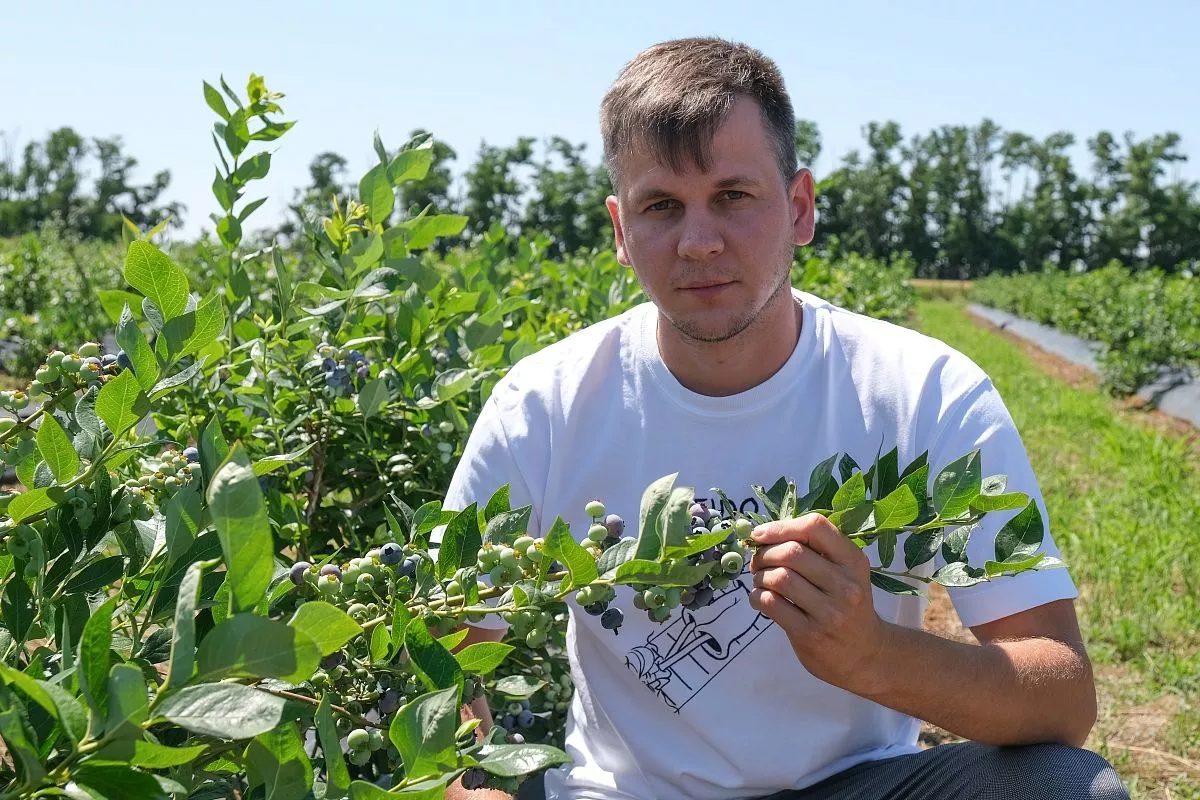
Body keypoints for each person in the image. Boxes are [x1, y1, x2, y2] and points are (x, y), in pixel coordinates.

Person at [442, 37, 1129, 800]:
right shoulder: (542, 406)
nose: (699, 242)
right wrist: (458, 783)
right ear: (620, 233)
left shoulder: (923, 392)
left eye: (733, 196)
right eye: (661, 206)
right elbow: (446, 658)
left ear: (799, 207)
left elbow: (1063, 696)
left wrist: (871, 655)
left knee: (1071, 790)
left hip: (859, 786)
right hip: (624, 792)